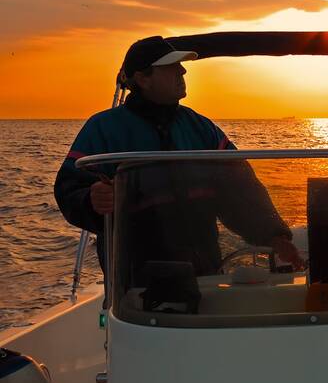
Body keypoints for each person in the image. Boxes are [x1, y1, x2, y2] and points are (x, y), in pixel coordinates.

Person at [54, 36, 303, 278]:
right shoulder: (103, 129)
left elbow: (241, 189)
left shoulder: (202, 129)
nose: (182, 72)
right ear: (142, 78)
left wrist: (274, 237)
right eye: (171, 67)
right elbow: (69, 186)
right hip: (134, 284)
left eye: (181, 66)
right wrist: (90, 199)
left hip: (204, 274)